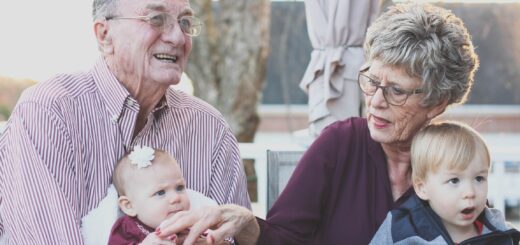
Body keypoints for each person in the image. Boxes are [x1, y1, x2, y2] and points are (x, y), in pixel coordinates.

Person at [154, 2, 482, 244]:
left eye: (396, 91)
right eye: (370, 80)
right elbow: (283, 238)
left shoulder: (456, 160)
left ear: (437, 102)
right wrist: (247, 224)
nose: (376, 100)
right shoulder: (340, 144)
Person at [0, 0, 250, 243]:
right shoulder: (49, 112)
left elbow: (234, 236)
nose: (177, 37)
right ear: (104, 34)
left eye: (185, 22)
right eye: (156, 19)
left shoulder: (210, 128)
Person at [371, 121, 520, 244]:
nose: (470, 192)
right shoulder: (401, 232)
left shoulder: (500, 232)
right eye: (454, 180)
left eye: (479, 178)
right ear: (422, 188)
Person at [108, 146, 191, 244]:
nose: (176, 197)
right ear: (129, 206)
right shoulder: (126, 229)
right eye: (160, 192)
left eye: (179, 188)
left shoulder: (191, 225)